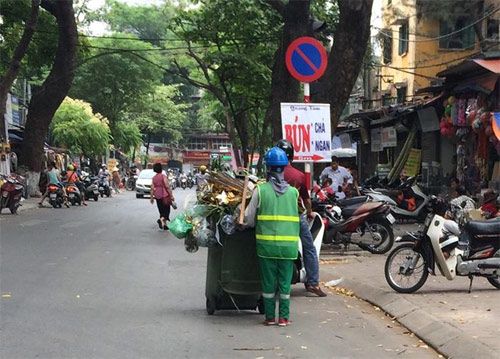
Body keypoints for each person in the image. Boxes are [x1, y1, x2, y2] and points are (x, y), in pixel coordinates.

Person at [243, 147, 301, 326]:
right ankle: (283, 318)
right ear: (284, 167)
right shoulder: (293, 193)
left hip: (266, 248)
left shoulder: (260, 191)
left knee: (268, 284)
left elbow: (248, 219)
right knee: (285, 284)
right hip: (288, 248)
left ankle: (269, 317)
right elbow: (300, 214)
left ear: (268, 168)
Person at [276, 139, 326, 297]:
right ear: (291, 156)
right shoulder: (298, 176)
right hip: (296, 217)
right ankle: (313, 283)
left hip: (275, 217)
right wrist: (310, 212)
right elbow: (306, 200)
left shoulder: (271, 174)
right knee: (309, 248)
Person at [150, 162, 174, 230]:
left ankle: (164, 225)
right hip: (165, 195)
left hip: (157, 195)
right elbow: (167, 186)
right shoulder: (163, 176)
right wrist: (171, 195)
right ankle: (162, 219)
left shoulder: (154, 178)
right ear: (161, 169)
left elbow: (152, 188)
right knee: (167, 210)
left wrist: (151, 197)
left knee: (161, 210)